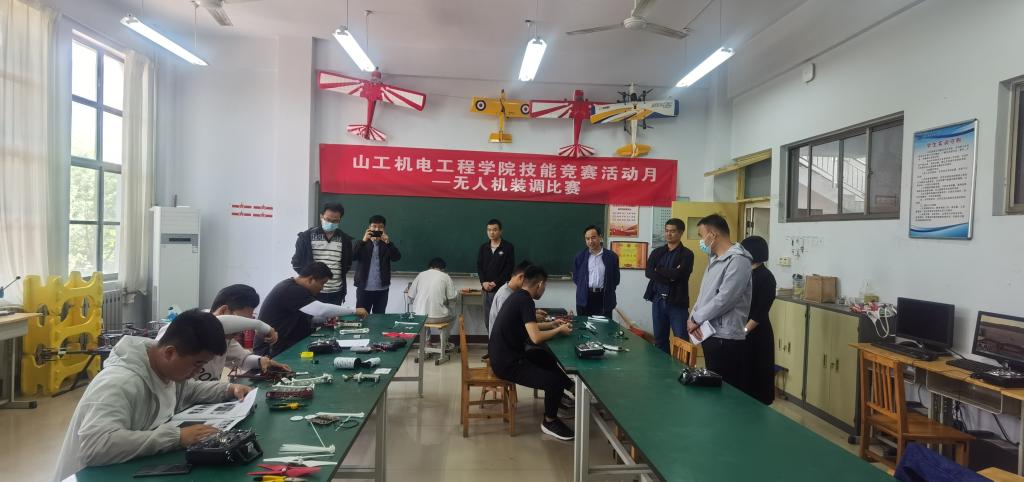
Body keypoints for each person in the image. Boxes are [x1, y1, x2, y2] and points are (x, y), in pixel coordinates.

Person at [53, 310, 254, 481]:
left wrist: (227, 389)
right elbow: (96, 445)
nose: (197, 372)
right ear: (170, 352)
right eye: (197, 364)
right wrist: (176, 437)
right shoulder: (119, 383)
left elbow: (189, 390)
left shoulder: (164, 370)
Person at [488, 265, 575, 441]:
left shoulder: (518, 297)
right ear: (540, 284)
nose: (544, 289)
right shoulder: (526, 301)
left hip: (505, 356)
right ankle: (549, 421)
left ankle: (571, 388)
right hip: (507, 364)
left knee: (544, 357)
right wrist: (559, 330)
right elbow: (535, 337)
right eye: (545, 286)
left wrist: (551, 325)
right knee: (554, 381)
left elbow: (529, 327)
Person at [155, 284, 290, 381]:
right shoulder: (186, 328)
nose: (243, 329)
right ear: (224, 311)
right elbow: (219, 322)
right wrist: (262, 327)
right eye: (242, 321)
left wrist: (261, 361)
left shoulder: (224, 336)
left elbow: (242, 359)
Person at [687, 214, 753, 388]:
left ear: (713, 235)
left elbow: (725, 299)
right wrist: (693, 317)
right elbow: (704, 295)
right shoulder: (715, 259)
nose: (701, 241)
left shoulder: (738, 260)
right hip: (710, 332)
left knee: (726, 387)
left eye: (701, 236)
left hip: (726, 337)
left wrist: (697, 318)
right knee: (713, 383)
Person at [255, 262, 368, 357]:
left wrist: (329, 319)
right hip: (272, 351)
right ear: (310, 279)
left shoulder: (298, 288)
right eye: (322, 283)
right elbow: (321, 310)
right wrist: (354, 310)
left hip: (286, 343)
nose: (322, 288)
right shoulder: (291, 290)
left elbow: (310, 317)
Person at [643, 218, 695, 353]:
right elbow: (649, 272)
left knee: (681, 340)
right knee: (659, 339)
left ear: (681, 233)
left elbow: (679, 275)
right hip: (658, 300)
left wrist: (659, 269)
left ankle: (681, 366)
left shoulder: (687, 254)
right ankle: (663, 366)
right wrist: (669, 276)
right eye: (666, 231)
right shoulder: (657, 252)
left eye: (672, 231)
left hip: (677, 303)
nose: (668, 234)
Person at [291, 203, 353, 304]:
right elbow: (296, 263)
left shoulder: (345, 239)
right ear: (321, 216)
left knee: (333, 315)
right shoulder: (306, 237)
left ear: (340, 220)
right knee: (310, 315)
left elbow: (348, 264)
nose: (331, 223)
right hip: (311, 291)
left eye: (335, 221)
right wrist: (310, 280)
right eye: (328, 219)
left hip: (336, 292)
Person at [740, 235, 777, 405]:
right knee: (743, 375)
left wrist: (744, 331)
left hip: (756, 332)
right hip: (741, 331)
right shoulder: (745, 272)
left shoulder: (766, 277)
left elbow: (760, 312)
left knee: (757, 374)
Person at [353, 214, 402, 314]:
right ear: (369, 227)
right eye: (374, 226)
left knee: (379, 317)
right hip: (364, 288)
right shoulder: (362, 243)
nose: (377, 229)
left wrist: (388, 242)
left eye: (380, 227)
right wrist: (363, 241)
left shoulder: (387, 244)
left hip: (382, 289)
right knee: (361, 317)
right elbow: (352, 257)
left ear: (384, 229)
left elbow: (396, 257)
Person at [573, 225, 620, 318]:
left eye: (593, 237)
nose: (590, 241)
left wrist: (608, 289)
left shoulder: (611, 257)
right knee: (584, 325)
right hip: (585, 298)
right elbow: (576, 278)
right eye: (587, 239)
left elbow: (616, 279)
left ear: (600, 237)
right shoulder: (580, 257)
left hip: (604, 298)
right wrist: (583, 288)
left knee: (604, 326)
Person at [477, 218, 515, 330]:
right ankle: (491, 340)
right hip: (486, 289)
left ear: (500, 231)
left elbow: (509, 268)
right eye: (489, 230)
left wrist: (495, 282)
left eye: (494, 230)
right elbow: (479, 266)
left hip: (501, 289)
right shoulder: (483, 247)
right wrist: (483, 282)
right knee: (488, 318)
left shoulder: (508, 247)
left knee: (501, 318)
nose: (491, 232)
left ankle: (500, 340)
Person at [488, 260, 545, 335]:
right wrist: (533, 317)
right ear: (521, 277)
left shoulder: (514, 292)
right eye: (528, 279)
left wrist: (533, 313)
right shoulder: (504, 295)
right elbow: (511, 322)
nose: (529, 283)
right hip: (505, 338)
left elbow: (515, 314)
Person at [407, 257, 458, 322]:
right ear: (443, 269)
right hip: (438, 318)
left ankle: (424, 328)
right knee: (453, 315)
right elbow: (452, 297)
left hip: (418, 317)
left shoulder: (421, 274)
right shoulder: (446, 276)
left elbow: (410, 295)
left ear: (430, 267)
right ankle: (444, 329)